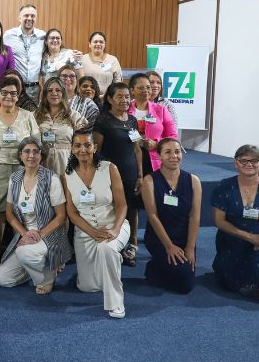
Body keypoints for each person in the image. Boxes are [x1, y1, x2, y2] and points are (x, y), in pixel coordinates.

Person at [0, 76, 41, 274]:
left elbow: (37, 147)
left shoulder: (28, 116)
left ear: (19, 95)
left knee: (23, 215)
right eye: (4, 93)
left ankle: (19, 258)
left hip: (23, 172)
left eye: (13, 93)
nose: (9, 97)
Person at [63, 131, 130, 319]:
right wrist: (91, 232)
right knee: (87, 287)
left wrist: (116, 229)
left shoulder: (110, 168)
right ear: (72, 148)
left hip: (113, 226)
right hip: (85, 232)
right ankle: (111, 264)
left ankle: (116, 303)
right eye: (77, 145)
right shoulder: (67, 175)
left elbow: (122, 204)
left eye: (87, 145)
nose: (82, 149)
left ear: (95, 147)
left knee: (106, 249)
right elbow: (72, 213)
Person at [0, 138, 71, 294]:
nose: (31, 155)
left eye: (36, 151)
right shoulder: (14, 179)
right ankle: (39, 267)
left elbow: (61, 216)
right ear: (20, 155)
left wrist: (39, 234)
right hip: (24, 235)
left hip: (48, 233)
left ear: (41, 155)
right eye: (27, 151)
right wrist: (24, 234)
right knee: (4, 280)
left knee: (24, 253)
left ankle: (46, 279)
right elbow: (9, 214)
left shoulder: (52, 179)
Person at [93, 82, 143, 267]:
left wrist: (140, 175)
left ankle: (133, 245)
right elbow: (96, 151)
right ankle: (116, 244)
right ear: (110, 99)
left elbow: (137, 150)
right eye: (120, 96)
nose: (125, 100)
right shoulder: (103, 120)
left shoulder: (132, 120)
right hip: (110, 174)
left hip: (130, 172)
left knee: (132, 209)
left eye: (127, 96)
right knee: (114, 209)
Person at [142, 138, 201, 293]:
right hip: (159, 238)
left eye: (177, 151)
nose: (174, 156)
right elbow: (152, 215)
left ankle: (158, 267)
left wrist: (190, 247)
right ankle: (153, 269)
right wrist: (169, 246)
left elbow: (195, 216)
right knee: (184, 284)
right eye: (168, 152)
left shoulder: (193, 181)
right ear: (159, 156)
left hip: (184, 237)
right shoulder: (149, 181)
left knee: (186, 284)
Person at [212, 144, 259, 298]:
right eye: (243, 160)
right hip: (233, 240)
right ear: (235, 163)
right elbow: (219, 222)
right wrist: (250, 237)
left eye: (254, 160)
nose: (249, 164)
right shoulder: (224, 186)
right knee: (234, 279)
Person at [35, 77, 86, 176]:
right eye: (50, 90)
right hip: (41, 163)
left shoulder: (74, 116)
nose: (54, 93)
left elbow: (82, 142)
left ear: (63, 93)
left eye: (58, 90)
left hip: (65, 162)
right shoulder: (35, 115)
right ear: (45, 94)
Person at [128, 72, 177, 173]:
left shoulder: (161, 109)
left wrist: (157, 144)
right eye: (141, 88)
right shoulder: (125, 109)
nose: (146, 90)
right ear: (132, 90)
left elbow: (173, 136)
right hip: (129, 157)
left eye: (148, 87)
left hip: (154, 160)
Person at [3, 4, 46, 103]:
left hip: (34, 89)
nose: (29, 18)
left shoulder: (43, 36)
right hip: (15, 87)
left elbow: (56, 50)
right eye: (26, 15)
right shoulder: (8, 35)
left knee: (31, 117)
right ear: (20, 18)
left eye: (33, 16)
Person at [58, 64, 99, 130]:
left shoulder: (88, 104)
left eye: (72, 76)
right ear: (58, 80)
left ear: (77, 81)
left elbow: (93, 130)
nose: (68, 79)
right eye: (64, 76)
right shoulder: (49, 100)